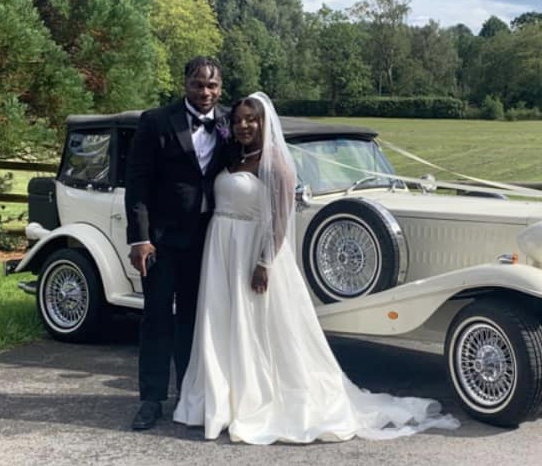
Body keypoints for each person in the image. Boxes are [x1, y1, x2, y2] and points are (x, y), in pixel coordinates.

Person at [173, 92, 460, 444]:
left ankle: (255, 400)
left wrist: (264, 262)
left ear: (264, 123)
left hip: (253, 251)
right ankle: (220, 399)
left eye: (251, 119)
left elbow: (281, 218)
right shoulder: (233, 156)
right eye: (237, 120)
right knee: (221, 321)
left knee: (256, 327)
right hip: (220, 250)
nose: (243, 125)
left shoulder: (276, 164)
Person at [125, 57, 231, 430]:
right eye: (198, 84)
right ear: (184, 83)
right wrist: (139, 238)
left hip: (208, 238)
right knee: (156, 317)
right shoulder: (156, 121)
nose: (205, 92)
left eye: (212, 85)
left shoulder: (229, 122)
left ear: (220, 87)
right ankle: (151, 399)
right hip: (161, 239)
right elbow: (137, 182)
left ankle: (189, 395)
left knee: (194, 318)